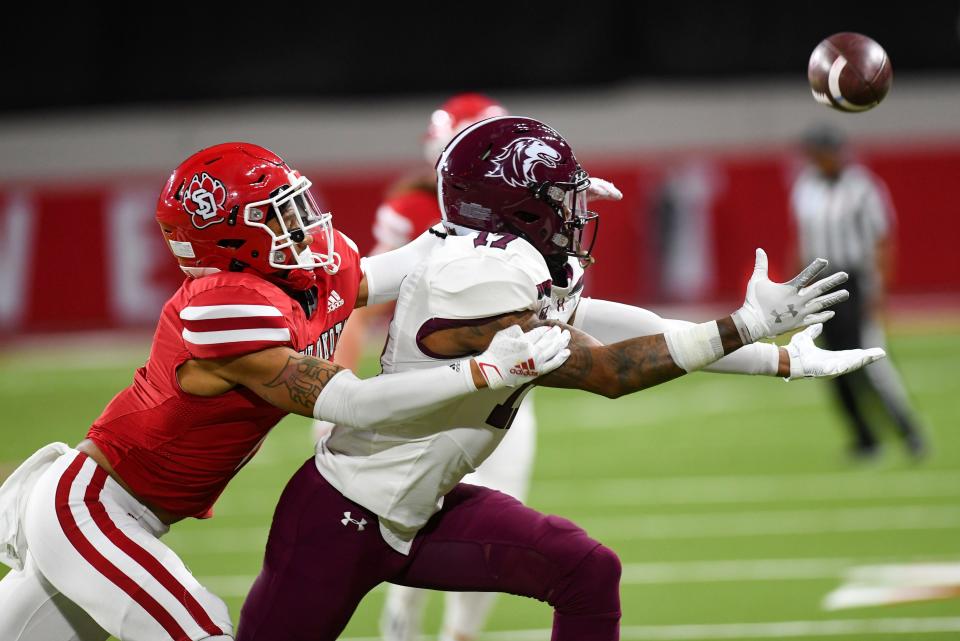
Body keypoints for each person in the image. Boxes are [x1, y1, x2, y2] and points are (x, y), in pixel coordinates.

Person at [237, 117, 885, 641]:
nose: (576, 213)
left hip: (419, 509)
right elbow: (606, 370)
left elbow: (631, 325)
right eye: (559, 199)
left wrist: (777, 357)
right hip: (342, 517)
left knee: (586, 569)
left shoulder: (491, 255)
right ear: (514, 209)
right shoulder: (471, 279)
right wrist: (741, 326)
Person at [0, 142, 570, 641]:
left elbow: (414, 261)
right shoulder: (225, 308)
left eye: (296, 206)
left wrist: (516, 211)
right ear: (229, 239)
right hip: (94, 507)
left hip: (126, 510)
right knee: (198, 628)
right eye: (277, 215)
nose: (302, 225)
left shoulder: (301, 277)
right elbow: (351, 401)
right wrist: (482, 372)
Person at [329, 93, 622, 641]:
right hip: (433, 391)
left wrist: (564, 206)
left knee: (501, 519)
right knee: (411, 516)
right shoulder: (418, 212)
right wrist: (335, 390)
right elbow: (358, 303)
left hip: (506, 390)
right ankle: (402, 626)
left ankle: (459, 636)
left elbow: (563, 301)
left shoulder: (532, 211)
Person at [790, 125, 926, 459]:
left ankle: (908, 430)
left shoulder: (862, 188)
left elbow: (882, 240)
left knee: (873, 359)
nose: (814, 159)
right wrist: (796, 287)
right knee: (826, 362)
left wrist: (878, 288)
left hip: (854, 282)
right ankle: (865, 438)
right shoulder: (805, 187)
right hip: (821, 283)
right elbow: (802, 241)